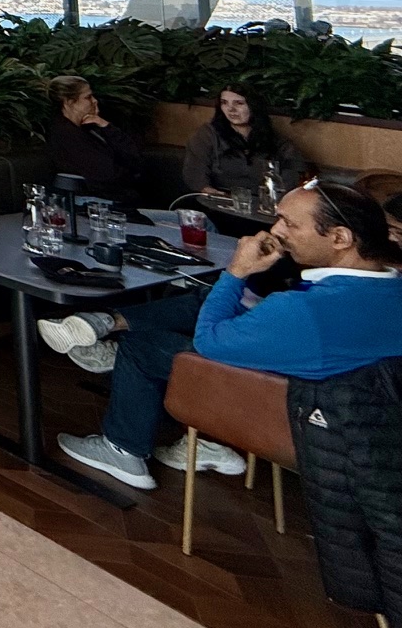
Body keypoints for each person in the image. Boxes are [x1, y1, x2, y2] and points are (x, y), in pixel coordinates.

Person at [48, 181, 402, 491]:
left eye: (289, 223)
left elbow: (209, 341)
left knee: (146, 346)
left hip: (283, 416)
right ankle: (107, 327)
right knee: (213, 303)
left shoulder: (301, 310)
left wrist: (238, 271)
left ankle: (123, 449)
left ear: (340, 237)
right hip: (360, 426)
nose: (277, 230)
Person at [46, 74, 145, 209]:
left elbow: (133, 155)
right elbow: (107, 174)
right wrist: (132, 174)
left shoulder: (89, 127)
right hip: (97, 206)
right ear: (69, 103)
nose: (94, 101)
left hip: (118, 200)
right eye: (88, 97)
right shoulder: (66, 135)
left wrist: (105, 125)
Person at [185, 85, 303, 197]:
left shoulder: (275, 140)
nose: (231, 109)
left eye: (239, 103)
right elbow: (195, 174)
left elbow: (293, 174)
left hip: (263, 207)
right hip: (219, 203)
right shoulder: (207, 134)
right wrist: (210, 192)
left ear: (254, 106)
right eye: (224, 103)